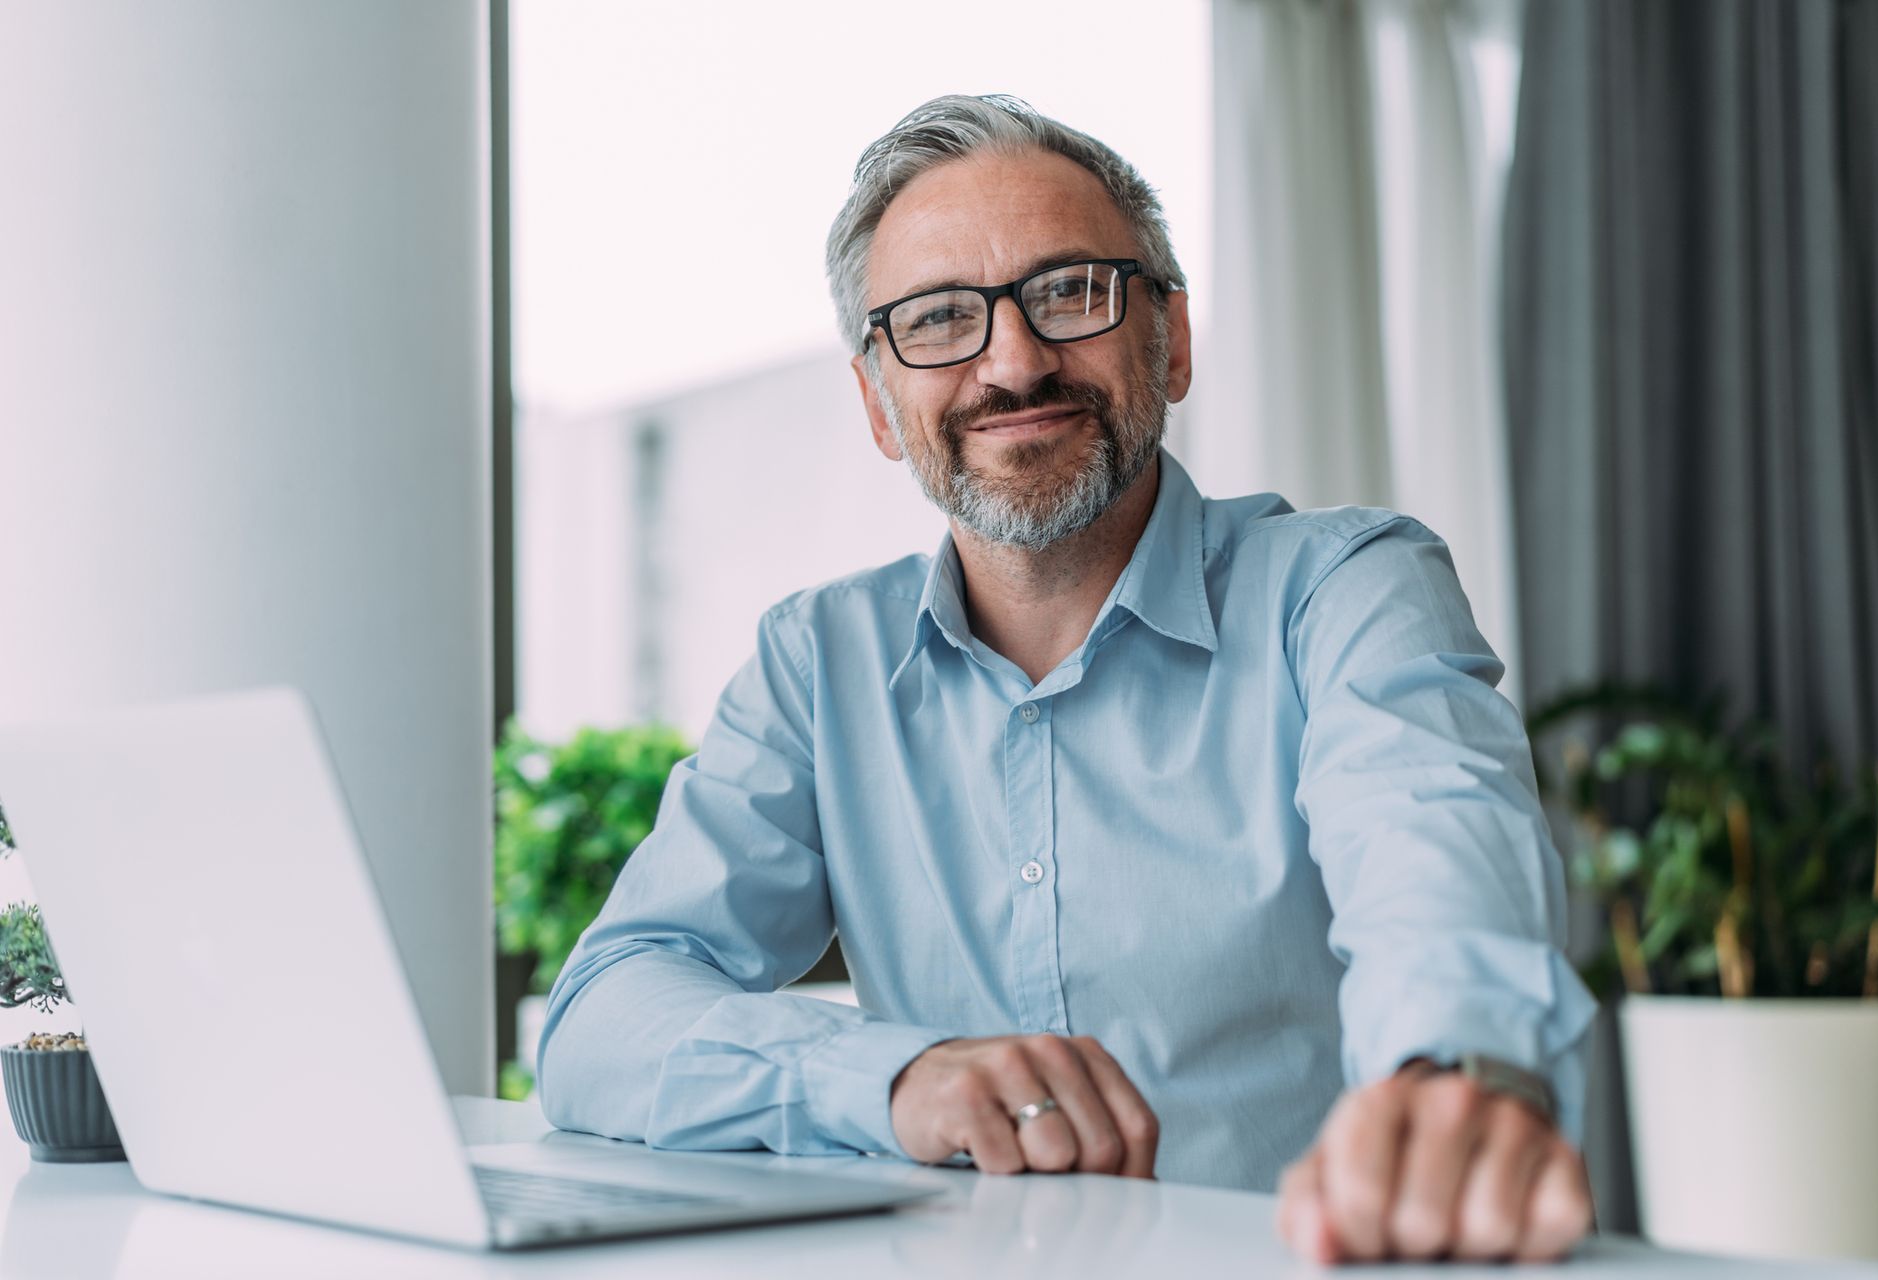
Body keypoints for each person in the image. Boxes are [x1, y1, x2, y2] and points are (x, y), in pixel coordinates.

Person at [538, 93, 1598, 1264]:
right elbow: (604, 1016)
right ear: (880, 405)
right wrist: (900, 1077)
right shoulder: (816, 662)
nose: (1014, 359)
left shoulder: (1345, 591)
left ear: (1172, 340)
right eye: (940, 319)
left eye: (1071, 291)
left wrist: (1451, 1076)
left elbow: (1435, 876)